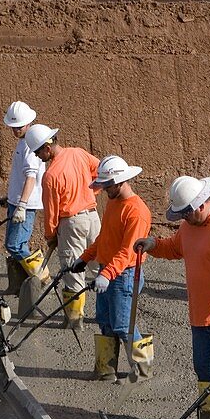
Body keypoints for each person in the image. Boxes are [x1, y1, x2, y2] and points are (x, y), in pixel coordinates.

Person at [135, 175, 210, 419]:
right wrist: (154, 244)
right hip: (201, 315)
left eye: (186, 213)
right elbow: (175, 248)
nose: (184, 219)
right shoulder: (189, 227)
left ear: (200, 204)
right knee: (204, 368)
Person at [69, 155, 153, 382]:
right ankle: (106, 370)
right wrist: (85, 258)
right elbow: (104, 238)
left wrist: (106, 274)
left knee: (125, 325)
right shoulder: (114, 203)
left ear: (120, 182)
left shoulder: (136, 211)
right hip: (108, 272)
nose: (105, 190)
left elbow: (129, 252)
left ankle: (142, 372)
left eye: (108, 185)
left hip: (124, 274)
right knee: (105, 321)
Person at [24, 124, 100, 330]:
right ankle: (107, 315)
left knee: (73, 269)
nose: (38, 157)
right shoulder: (79, 153)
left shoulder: (51, 176)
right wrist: (92, 193)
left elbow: (51, 212)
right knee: (100, 266)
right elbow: (101, 171)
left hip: (72, 223)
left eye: (38, 152)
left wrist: (51, 236)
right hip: (93, 218)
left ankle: (75, 321)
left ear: (47, 148)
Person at [1, 101, 46, 295]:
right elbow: (20, 176)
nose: (15, 130)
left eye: (18, 127)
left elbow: (30, 176)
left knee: (15, 245)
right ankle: (21, 285)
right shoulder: (23, 141)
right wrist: (11, 197)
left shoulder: (30, 145)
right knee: (15, 244)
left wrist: (22, 204)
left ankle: (42, 279)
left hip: (25, 204)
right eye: (13, 127)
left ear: (28, 123)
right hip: (17, 200)